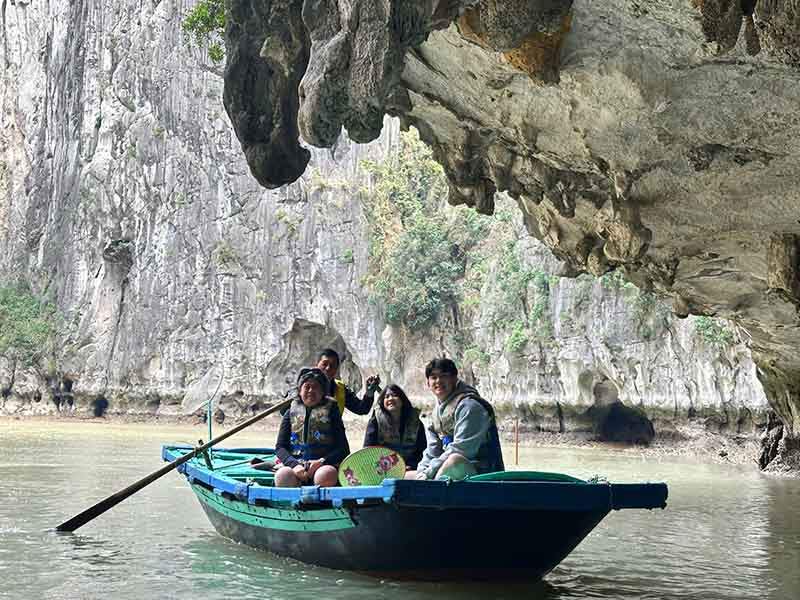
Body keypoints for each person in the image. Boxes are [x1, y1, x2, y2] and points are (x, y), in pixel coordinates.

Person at [406, 357, 504, 481]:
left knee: (454, 461)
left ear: (454, 379)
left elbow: (462, 449)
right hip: (446, 470)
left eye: (444, 376)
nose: (438, 381)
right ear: (428, 383)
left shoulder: (470, 406)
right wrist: (422, 471)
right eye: (434, 377)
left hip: (482, 473)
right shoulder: (436, 413)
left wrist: (429, 473)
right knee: (404, 477)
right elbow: (432, 451)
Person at [274, 367, 349, 487]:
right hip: (296, 464)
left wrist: (321, 462)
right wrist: (294, 465)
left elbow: (343, 449)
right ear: (299, 390)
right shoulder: (290, 412)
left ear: (323, 392)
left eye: (316, 387)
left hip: (322, 465)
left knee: (326, 475)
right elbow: (280, 447)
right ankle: (292, 504)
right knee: (283, 475)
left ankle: (321, 504)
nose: (310, 390)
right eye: (307, 387)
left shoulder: (332, 412)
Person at [363, 384, 426, 470]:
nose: (390, 399)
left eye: (395, 395)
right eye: (386, 397)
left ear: (402, 400)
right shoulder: (375, 422)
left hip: (410, 468)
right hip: (382, 470)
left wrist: (411, 465)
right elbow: (368, 450)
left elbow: (422, 450)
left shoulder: (415, 422)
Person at [315, 348, 381, 416]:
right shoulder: (306, 385)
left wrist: (369, 393)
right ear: (316, 365)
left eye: (332, 365)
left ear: (336, 369)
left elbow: (361, 409)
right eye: (324, 364)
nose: (328, 368)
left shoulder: (340, 388)